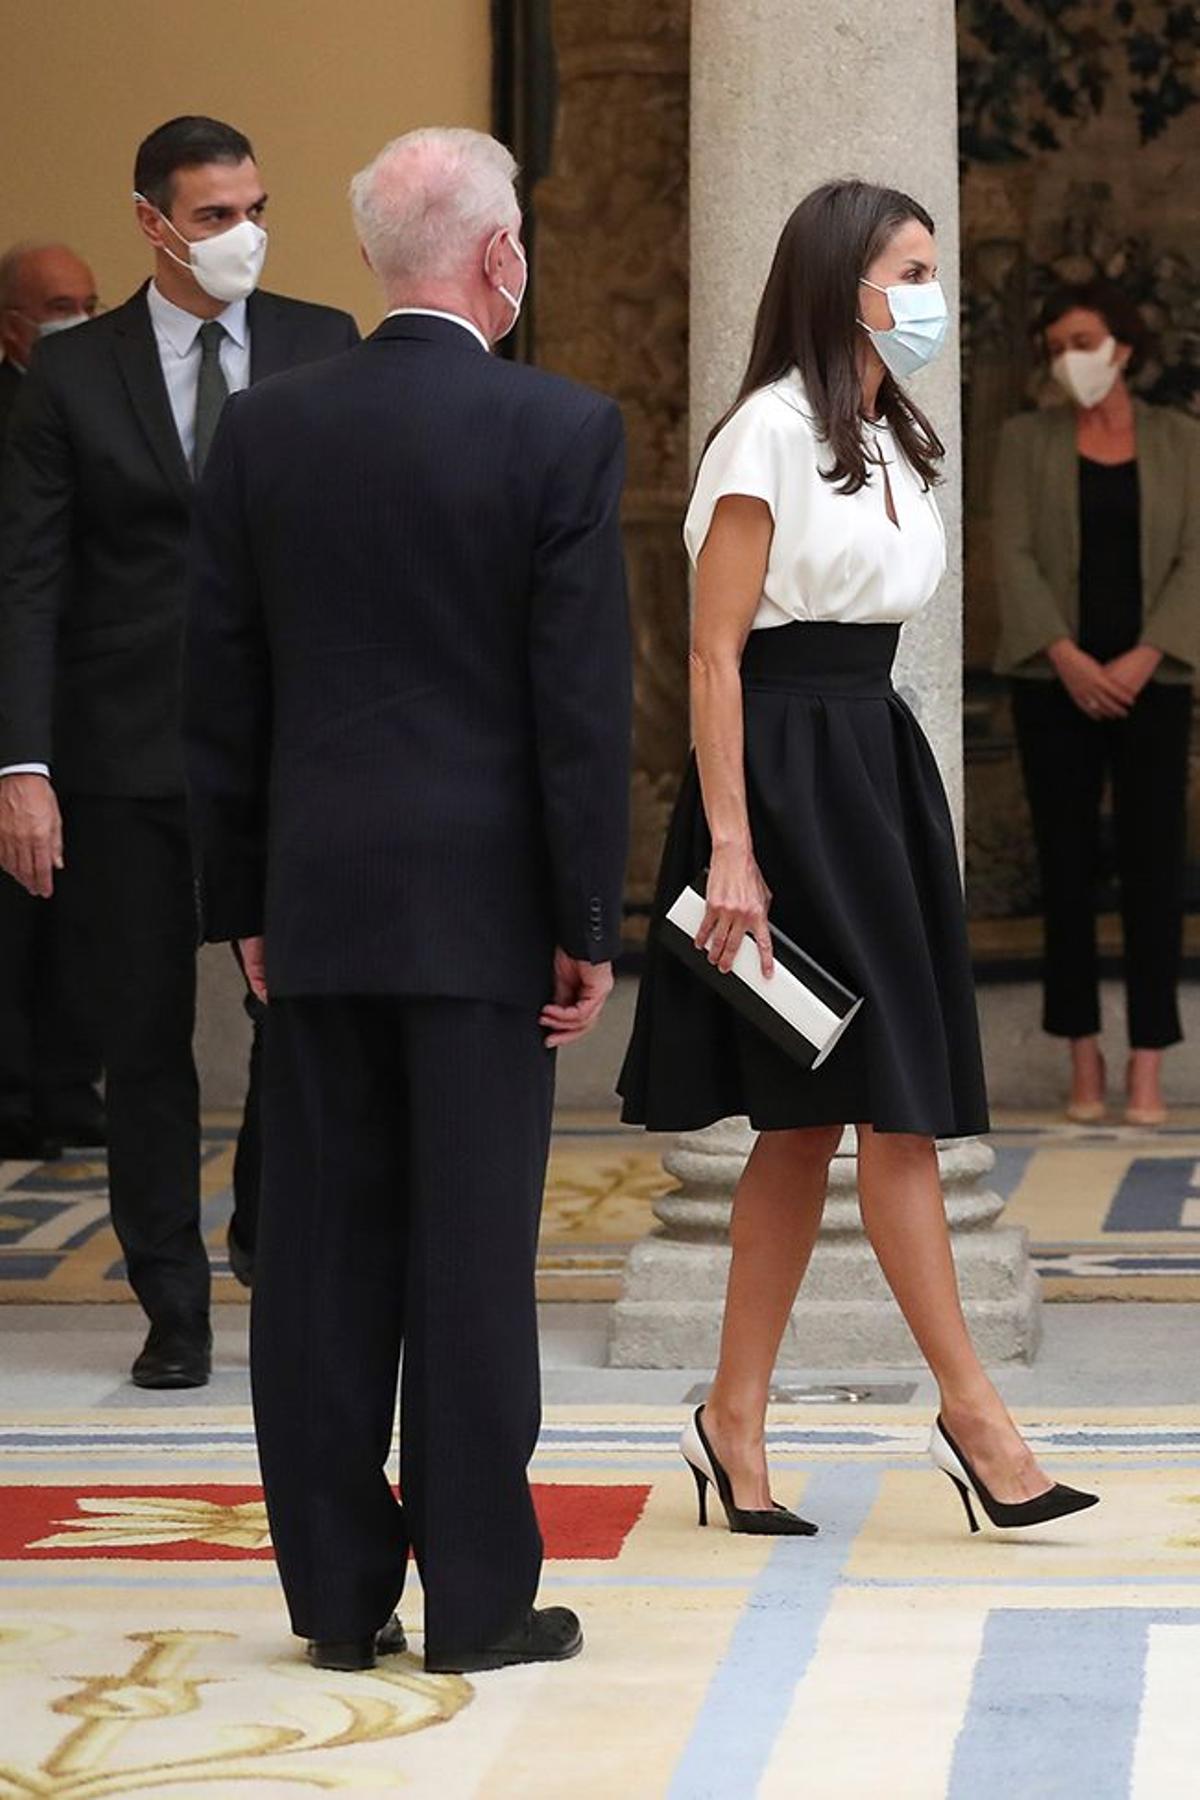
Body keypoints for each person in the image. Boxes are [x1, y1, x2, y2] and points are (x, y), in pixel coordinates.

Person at [185, 127, 631, 1674]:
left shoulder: (263, 430)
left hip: (312, 910)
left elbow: (218, 691)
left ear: (381, 260)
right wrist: (591, 921)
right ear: (499, 257)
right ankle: (480, 1605)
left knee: (316, 1267)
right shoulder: (561, 429)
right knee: (467, 1265)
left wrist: (241, 899)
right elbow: (578, 709)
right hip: (484, 920)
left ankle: (335, 1604)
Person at [618, 180, 1097, 1539]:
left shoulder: (889, 431)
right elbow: (714, 654)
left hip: (871, 768)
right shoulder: (765, 433)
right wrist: (731, 850)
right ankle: (977, 1418)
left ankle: (735, 1416)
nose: (933, 293)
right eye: (910, 267)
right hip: (778, 775)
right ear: (843, 282)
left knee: (810, 1118)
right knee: (886, 1107)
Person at [0, 117, 359, 1388]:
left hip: (292, 752)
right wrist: (22, 766)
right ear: (152, 223)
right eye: (214, 216)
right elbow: (29, 579)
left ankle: (264, 1226)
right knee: (142, 1040)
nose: (243, 234)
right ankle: (174, 1303)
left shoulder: (325, 345)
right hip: (122, 758)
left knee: (296, 1014)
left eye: (256, 206)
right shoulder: (73, 373)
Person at [993, 280, 1199, 1126]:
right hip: (1054, 683)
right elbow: (1008, 551)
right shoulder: (1023, 440)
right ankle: (1083, 1059)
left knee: (1155, 870)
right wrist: (1070, 658)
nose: (1070, 358)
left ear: (1123, 344)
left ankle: (1147, 1066)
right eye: (1055, 346)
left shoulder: (1181, 440)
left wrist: (1146, 656)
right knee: (1067, 868)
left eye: (1083, 339)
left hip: (1156, 682)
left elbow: (1197, 555)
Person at [0, 242, 105, 1159]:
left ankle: (67, 1087)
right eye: (59, 305)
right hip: (20, 693)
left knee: (79, 915)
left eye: (90, 301)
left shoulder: (97, 393)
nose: (79, 317)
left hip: (90, 696)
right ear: (12, 327)